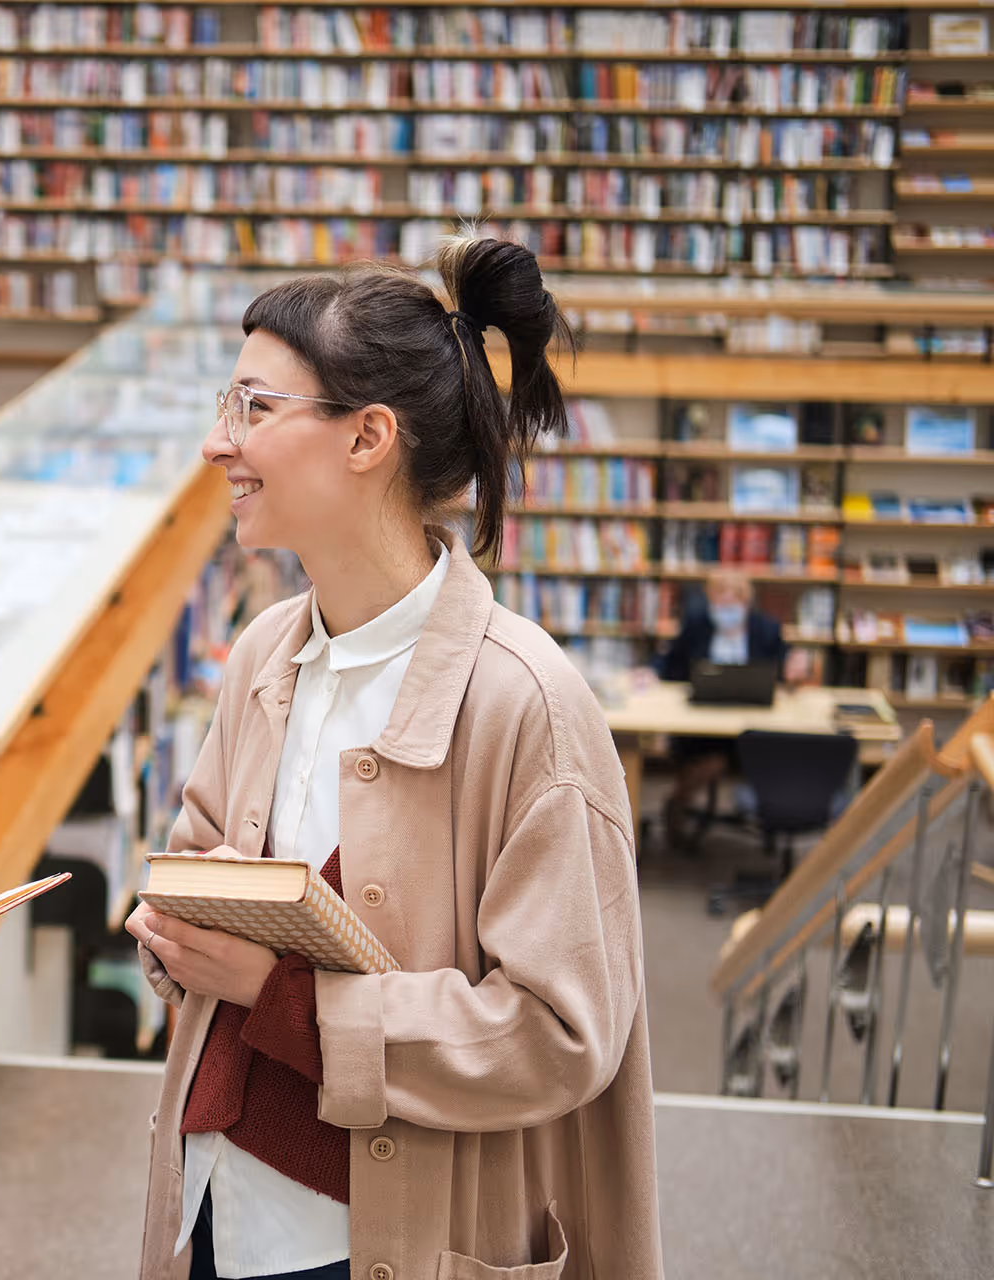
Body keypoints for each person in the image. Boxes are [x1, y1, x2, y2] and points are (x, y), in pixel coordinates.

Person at [124, 240, 663, 1280]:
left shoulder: (528, 707)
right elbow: (193, 858)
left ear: (368, 435)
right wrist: (171, 933)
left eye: (252, 408)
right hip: (211, 1209)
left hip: (376, 1243)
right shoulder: (263, 655)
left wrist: (283, 996)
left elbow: (560, 1030)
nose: (213, 443)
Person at [654, 568, 802, 845]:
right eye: (718, 604)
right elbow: (668, 663)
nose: (725, 611)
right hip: (699, 724)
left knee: (752, 751)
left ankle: (769, 818)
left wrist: (796, 667)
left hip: (754, 724)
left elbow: (786, 667)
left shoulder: (766, 629)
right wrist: (651, 673)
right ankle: (678, 803)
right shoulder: (697, 625)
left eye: (732, 604)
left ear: (746, 603)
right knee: (707, 757)